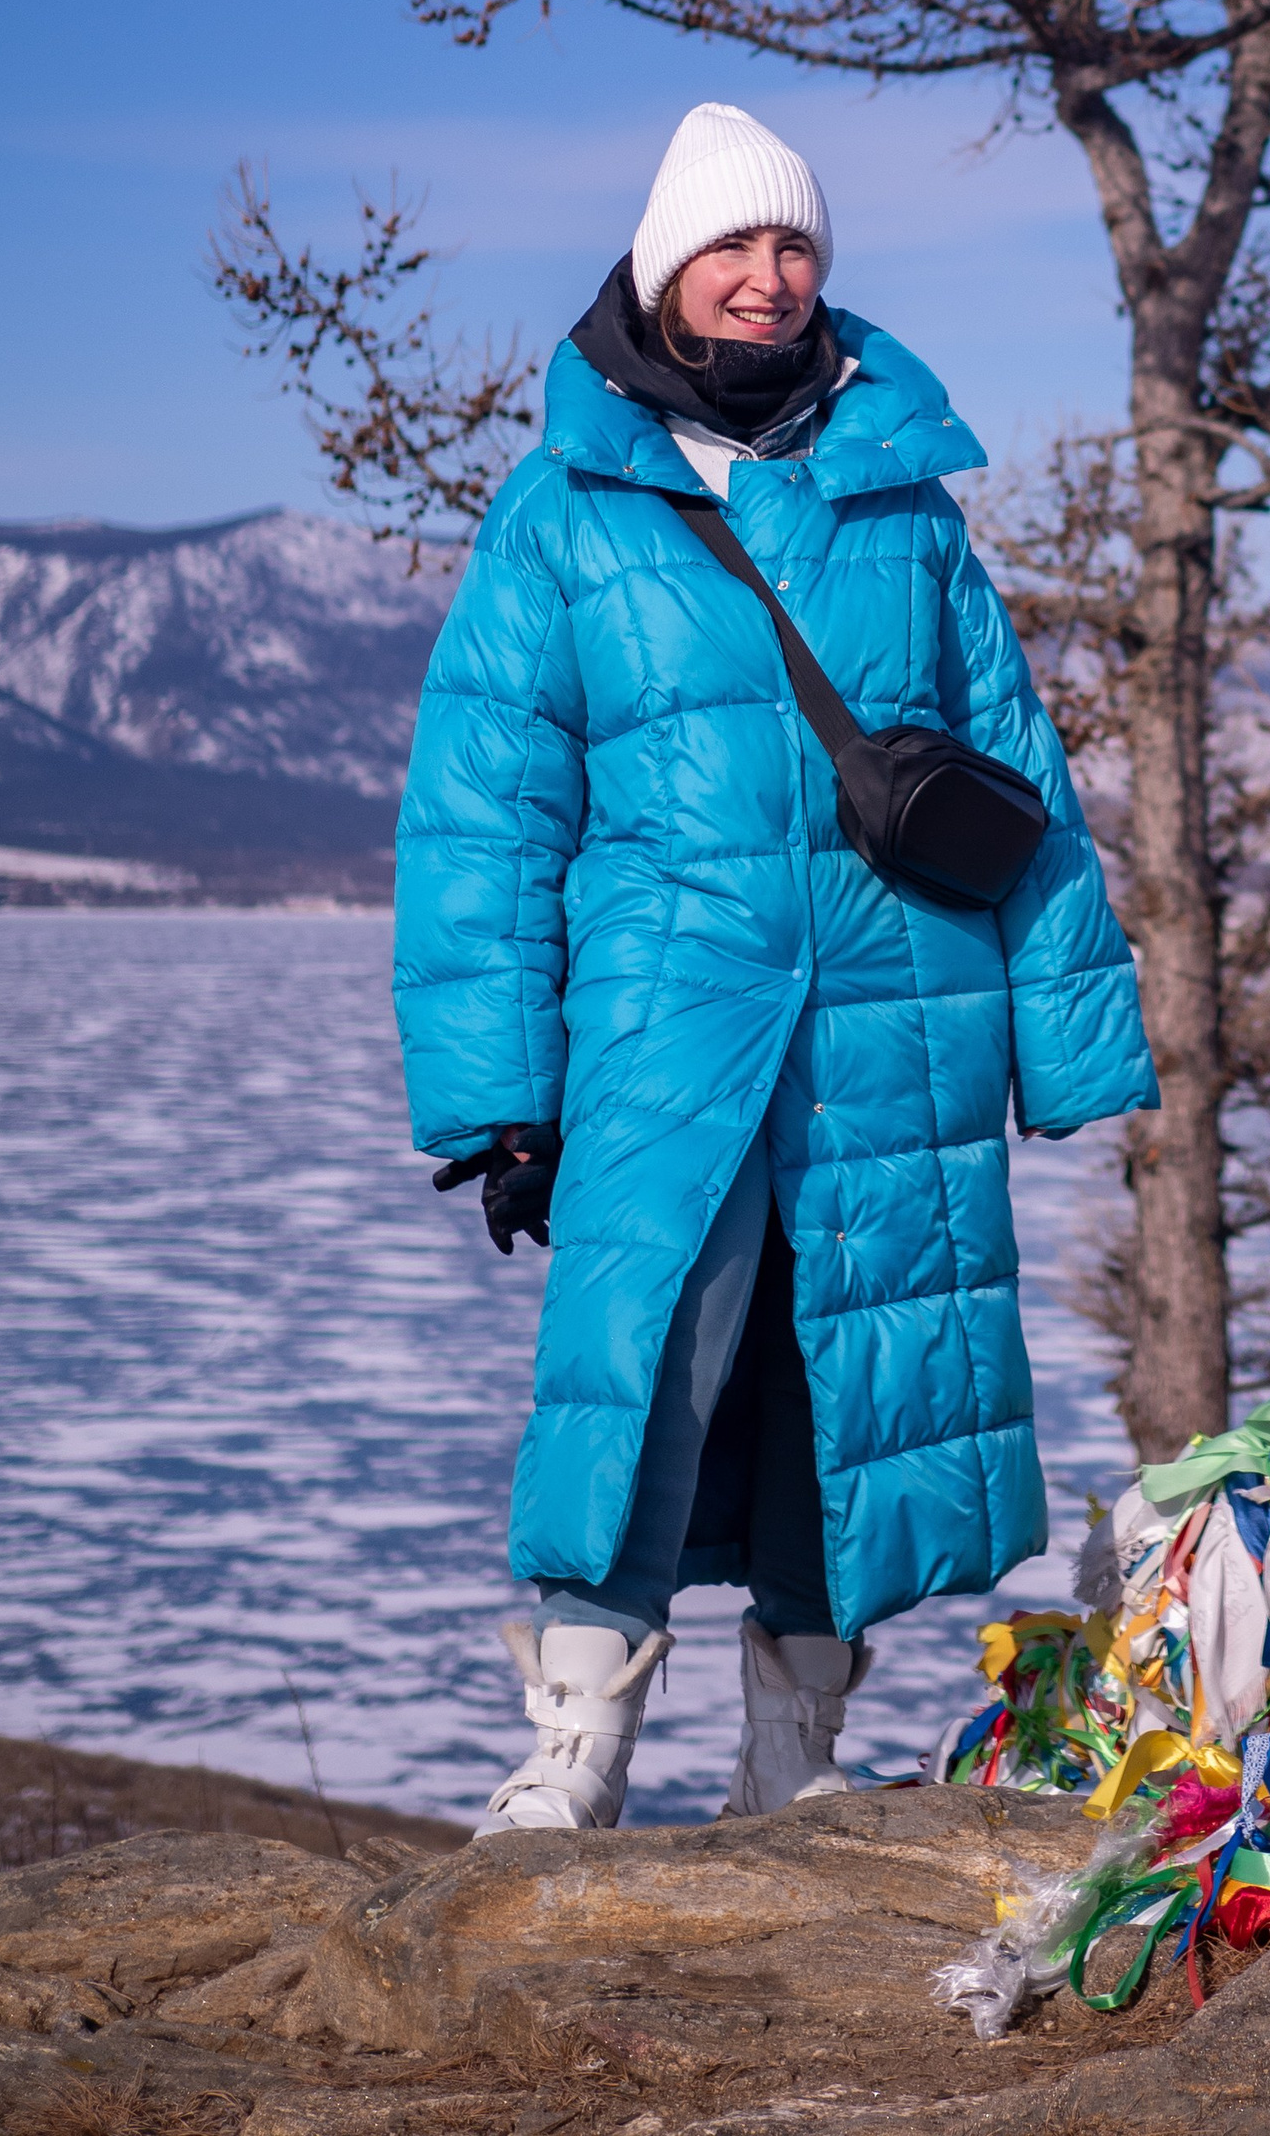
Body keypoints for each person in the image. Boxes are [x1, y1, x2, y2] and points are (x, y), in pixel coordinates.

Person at [391, 101, 1155, 1831]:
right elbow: (484, 808)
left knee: (849, 1384)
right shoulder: (566, 508)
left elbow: (1009, 772)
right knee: (651, 1355)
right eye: (731, 247)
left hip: (897, 1014)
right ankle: (575, 1743)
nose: (766, 276)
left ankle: (794, 1759)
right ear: (668, 269)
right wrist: (503, 1094)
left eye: (794, 246)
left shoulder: (905, 501)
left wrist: (1073, 1036)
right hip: (669, 1021)